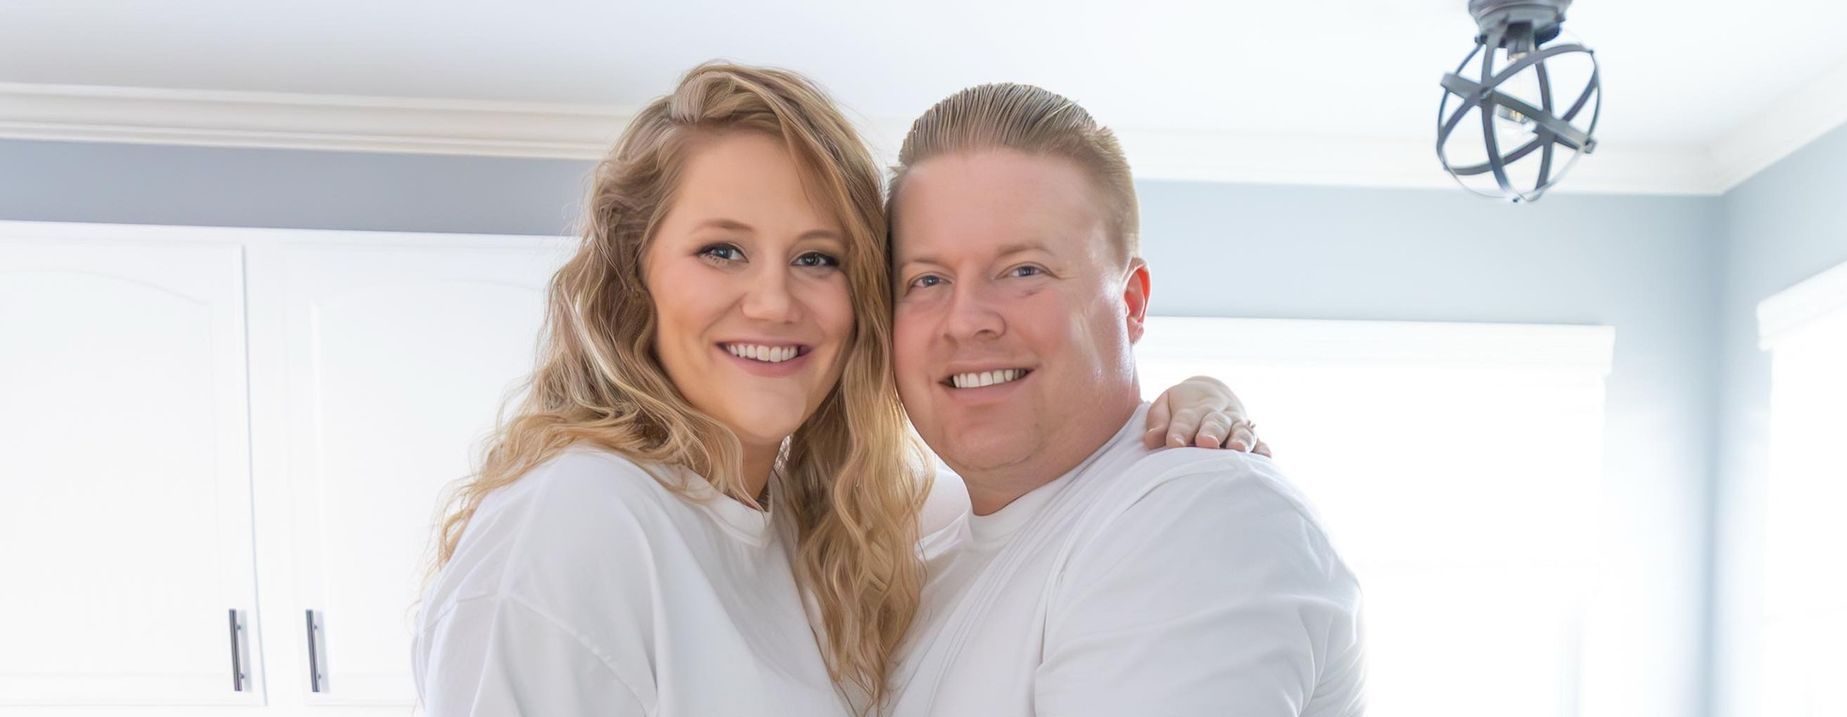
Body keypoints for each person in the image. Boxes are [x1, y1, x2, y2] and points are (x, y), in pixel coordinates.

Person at [411, 63, 1266, 716]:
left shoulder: (831, 524)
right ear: (635, 278)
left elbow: (1045, 485)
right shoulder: (575, 524)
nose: (775, 300)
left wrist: (1193, 395)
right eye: (722, 249)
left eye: (818, 257)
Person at [884, 83, 1365, 716]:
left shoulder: (1196, 513)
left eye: (1024, 270)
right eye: (927, 280)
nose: (965, 319)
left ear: (1131, 302)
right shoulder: (922, 555)